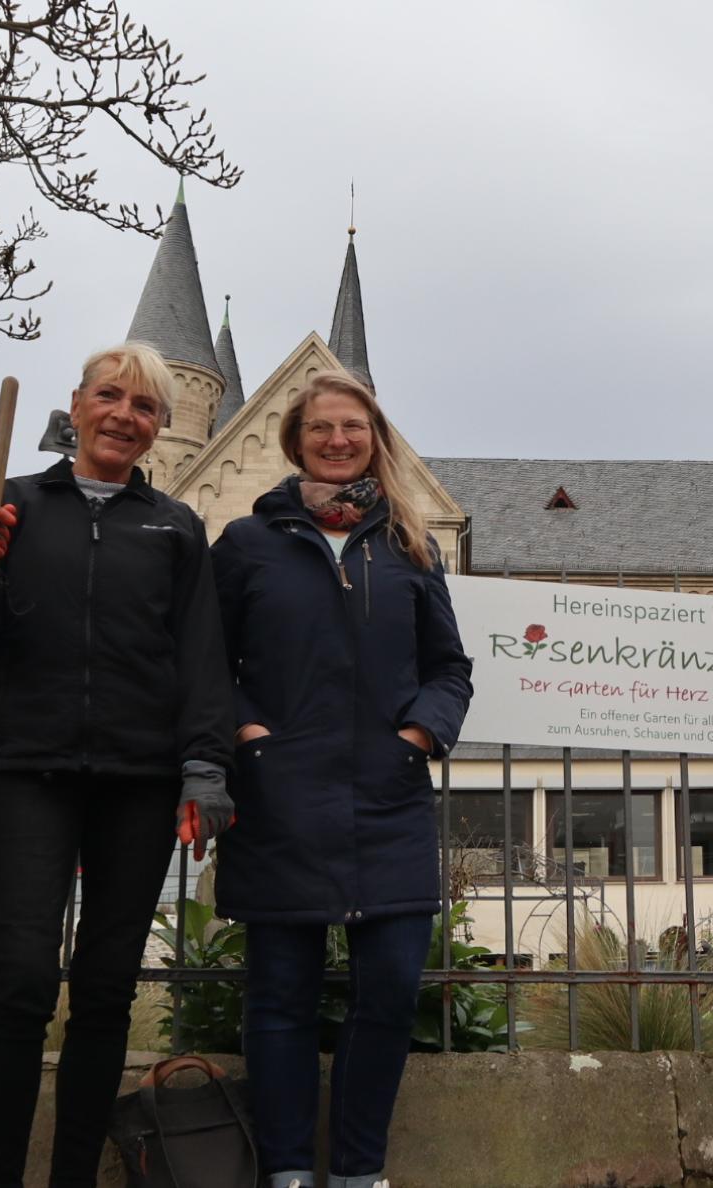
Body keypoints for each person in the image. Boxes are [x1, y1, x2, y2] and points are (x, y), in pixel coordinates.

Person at [0, 341, 237, 1188]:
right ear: (78, 404)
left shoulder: (174, 528)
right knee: (23, 981)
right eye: (111, 397)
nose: (124, 417)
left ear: (161, 428)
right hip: (30, 768)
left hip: (139, 783)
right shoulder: (15, 505)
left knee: (105, 990)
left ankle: (73, 1178)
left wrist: (205, 766)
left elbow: (201, 658)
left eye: (145, 408)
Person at [211, 369, 474, 1188]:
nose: (336, 439)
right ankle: (288, 1170)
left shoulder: (408, 544)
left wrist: (417, 736)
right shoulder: (248, 544)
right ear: (295, 442)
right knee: (280, 998)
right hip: (277, 799)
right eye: (321, 427)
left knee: (390, 991)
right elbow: (208, 666)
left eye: (352, 427)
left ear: (373, 438)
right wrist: (248, 737)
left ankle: (360, 1172)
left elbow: (449, 667)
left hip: (388, 799)